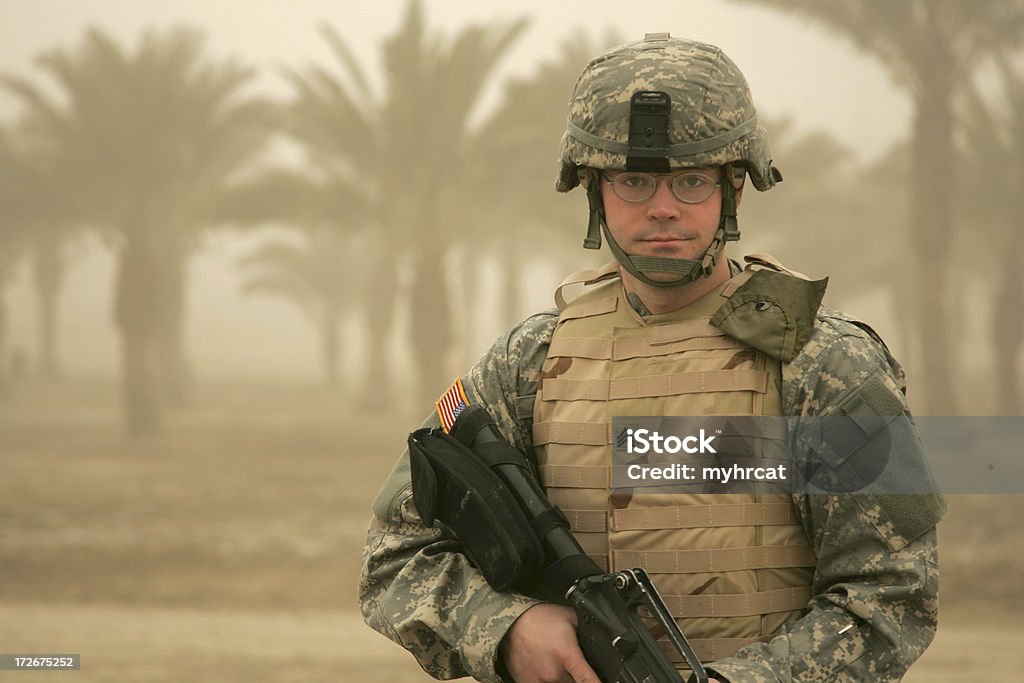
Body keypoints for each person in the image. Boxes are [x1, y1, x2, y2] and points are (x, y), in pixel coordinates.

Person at [360, 34, 944, 683]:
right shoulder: (531, 360)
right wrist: (506, 629)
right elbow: (397, 553)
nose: (662, 207)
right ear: (595, 193)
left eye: (691, 180)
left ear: (733, 190)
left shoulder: (820, 360)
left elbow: (889, 597)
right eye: (634, 180)